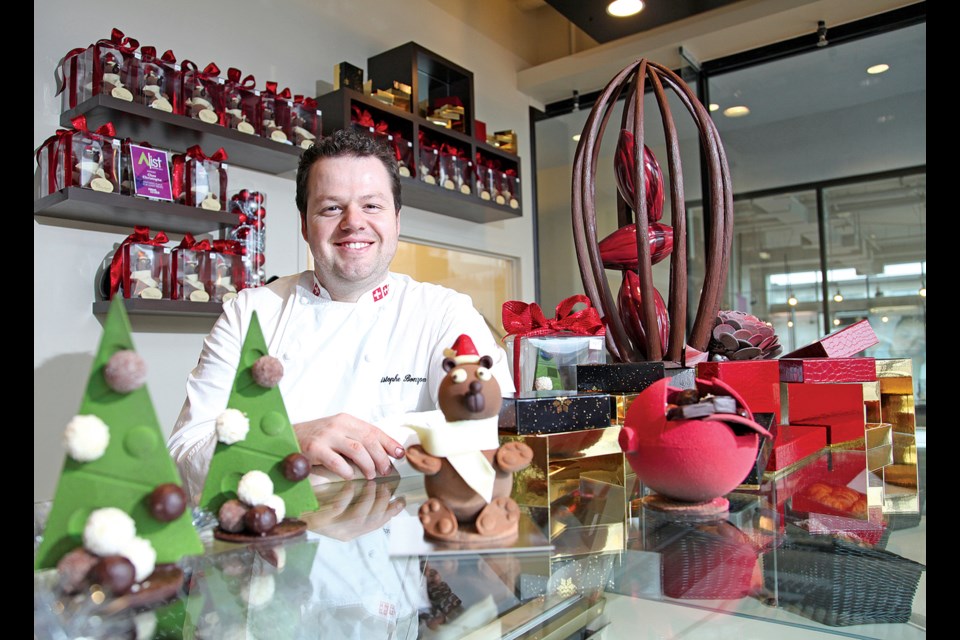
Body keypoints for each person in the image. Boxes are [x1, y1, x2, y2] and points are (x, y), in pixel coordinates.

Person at [167, 128, 513, 504]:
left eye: (372, 205)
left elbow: (490, 432)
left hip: (405, 550)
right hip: (275, 549)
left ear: (397, 221)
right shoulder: (249, 313)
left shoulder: (444, 313)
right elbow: (186, 457)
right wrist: (289, 440)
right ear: (304, 225)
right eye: (332, 207)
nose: (353, 222)